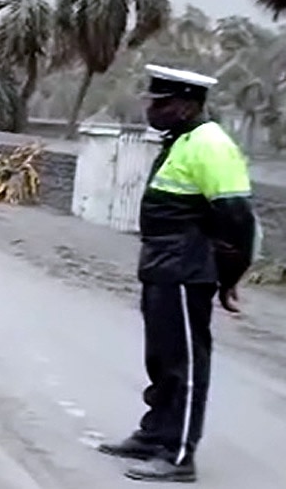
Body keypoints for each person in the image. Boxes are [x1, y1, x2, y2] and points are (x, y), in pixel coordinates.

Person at [99, 64, 257, 483]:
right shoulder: (180, 140)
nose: (153, 109)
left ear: (186, 105)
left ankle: (179, 454)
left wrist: (229, 279)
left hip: (188, 268)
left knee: (184, 364)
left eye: (162, 103)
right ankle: (155, 434)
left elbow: (237, 219)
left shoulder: (210, 145)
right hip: (162, 264)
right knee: (162, 358)